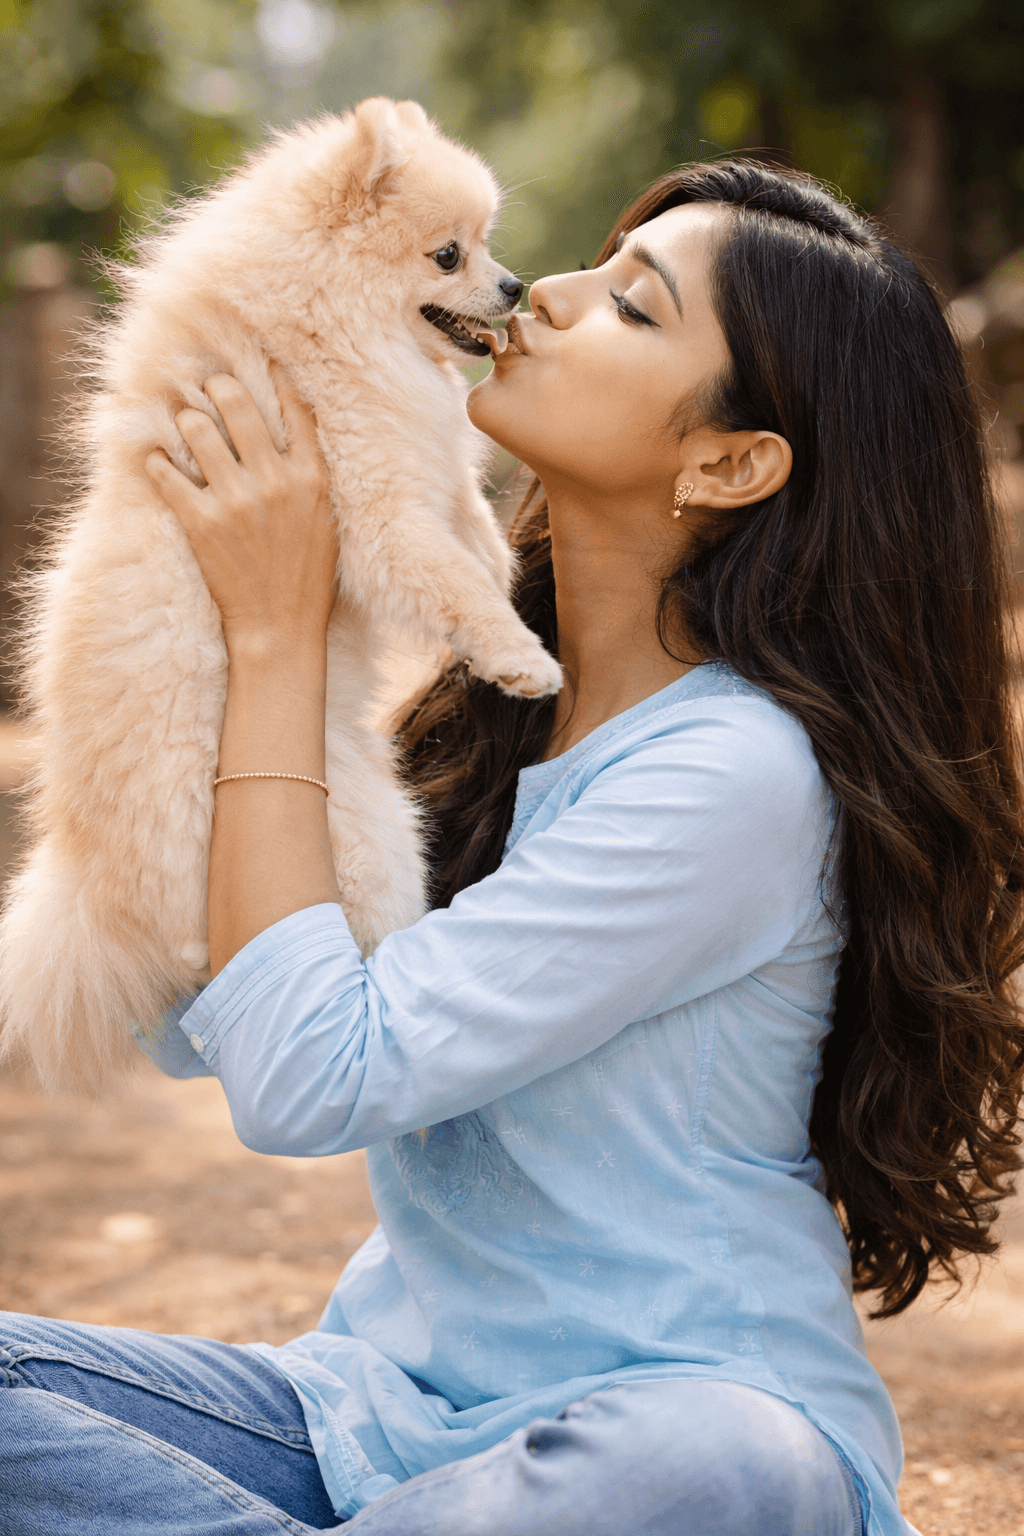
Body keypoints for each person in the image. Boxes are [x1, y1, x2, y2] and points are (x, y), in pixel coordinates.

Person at [2, 161, 1021, 1536]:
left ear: (730, 460)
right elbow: (206, 1026)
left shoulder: (732, 775)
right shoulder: (479, 714)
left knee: (726, 1465)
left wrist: (272, 638)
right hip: (376, 1429)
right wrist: (184, 635)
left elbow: (309, 1077)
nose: (545, 295)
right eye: (600, 264)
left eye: (633, 309)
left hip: (651, 1442)